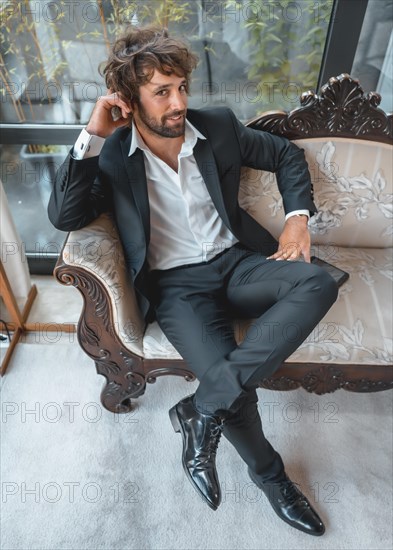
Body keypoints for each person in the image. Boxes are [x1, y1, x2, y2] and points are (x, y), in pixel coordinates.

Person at [48, 26, 338, 536]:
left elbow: (285, 155)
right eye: (162, 92)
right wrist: (92, 135)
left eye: (181, 87)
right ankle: (273, 479)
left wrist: (297, 217)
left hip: (238, 262)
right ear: (129, 100)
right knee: (234, 387)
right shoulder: (113, 152)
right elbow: (65, 214)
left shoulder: (218, 127)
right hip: (177, 287)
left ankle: (201, 409)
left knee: (316, 284)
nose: (178, 102)